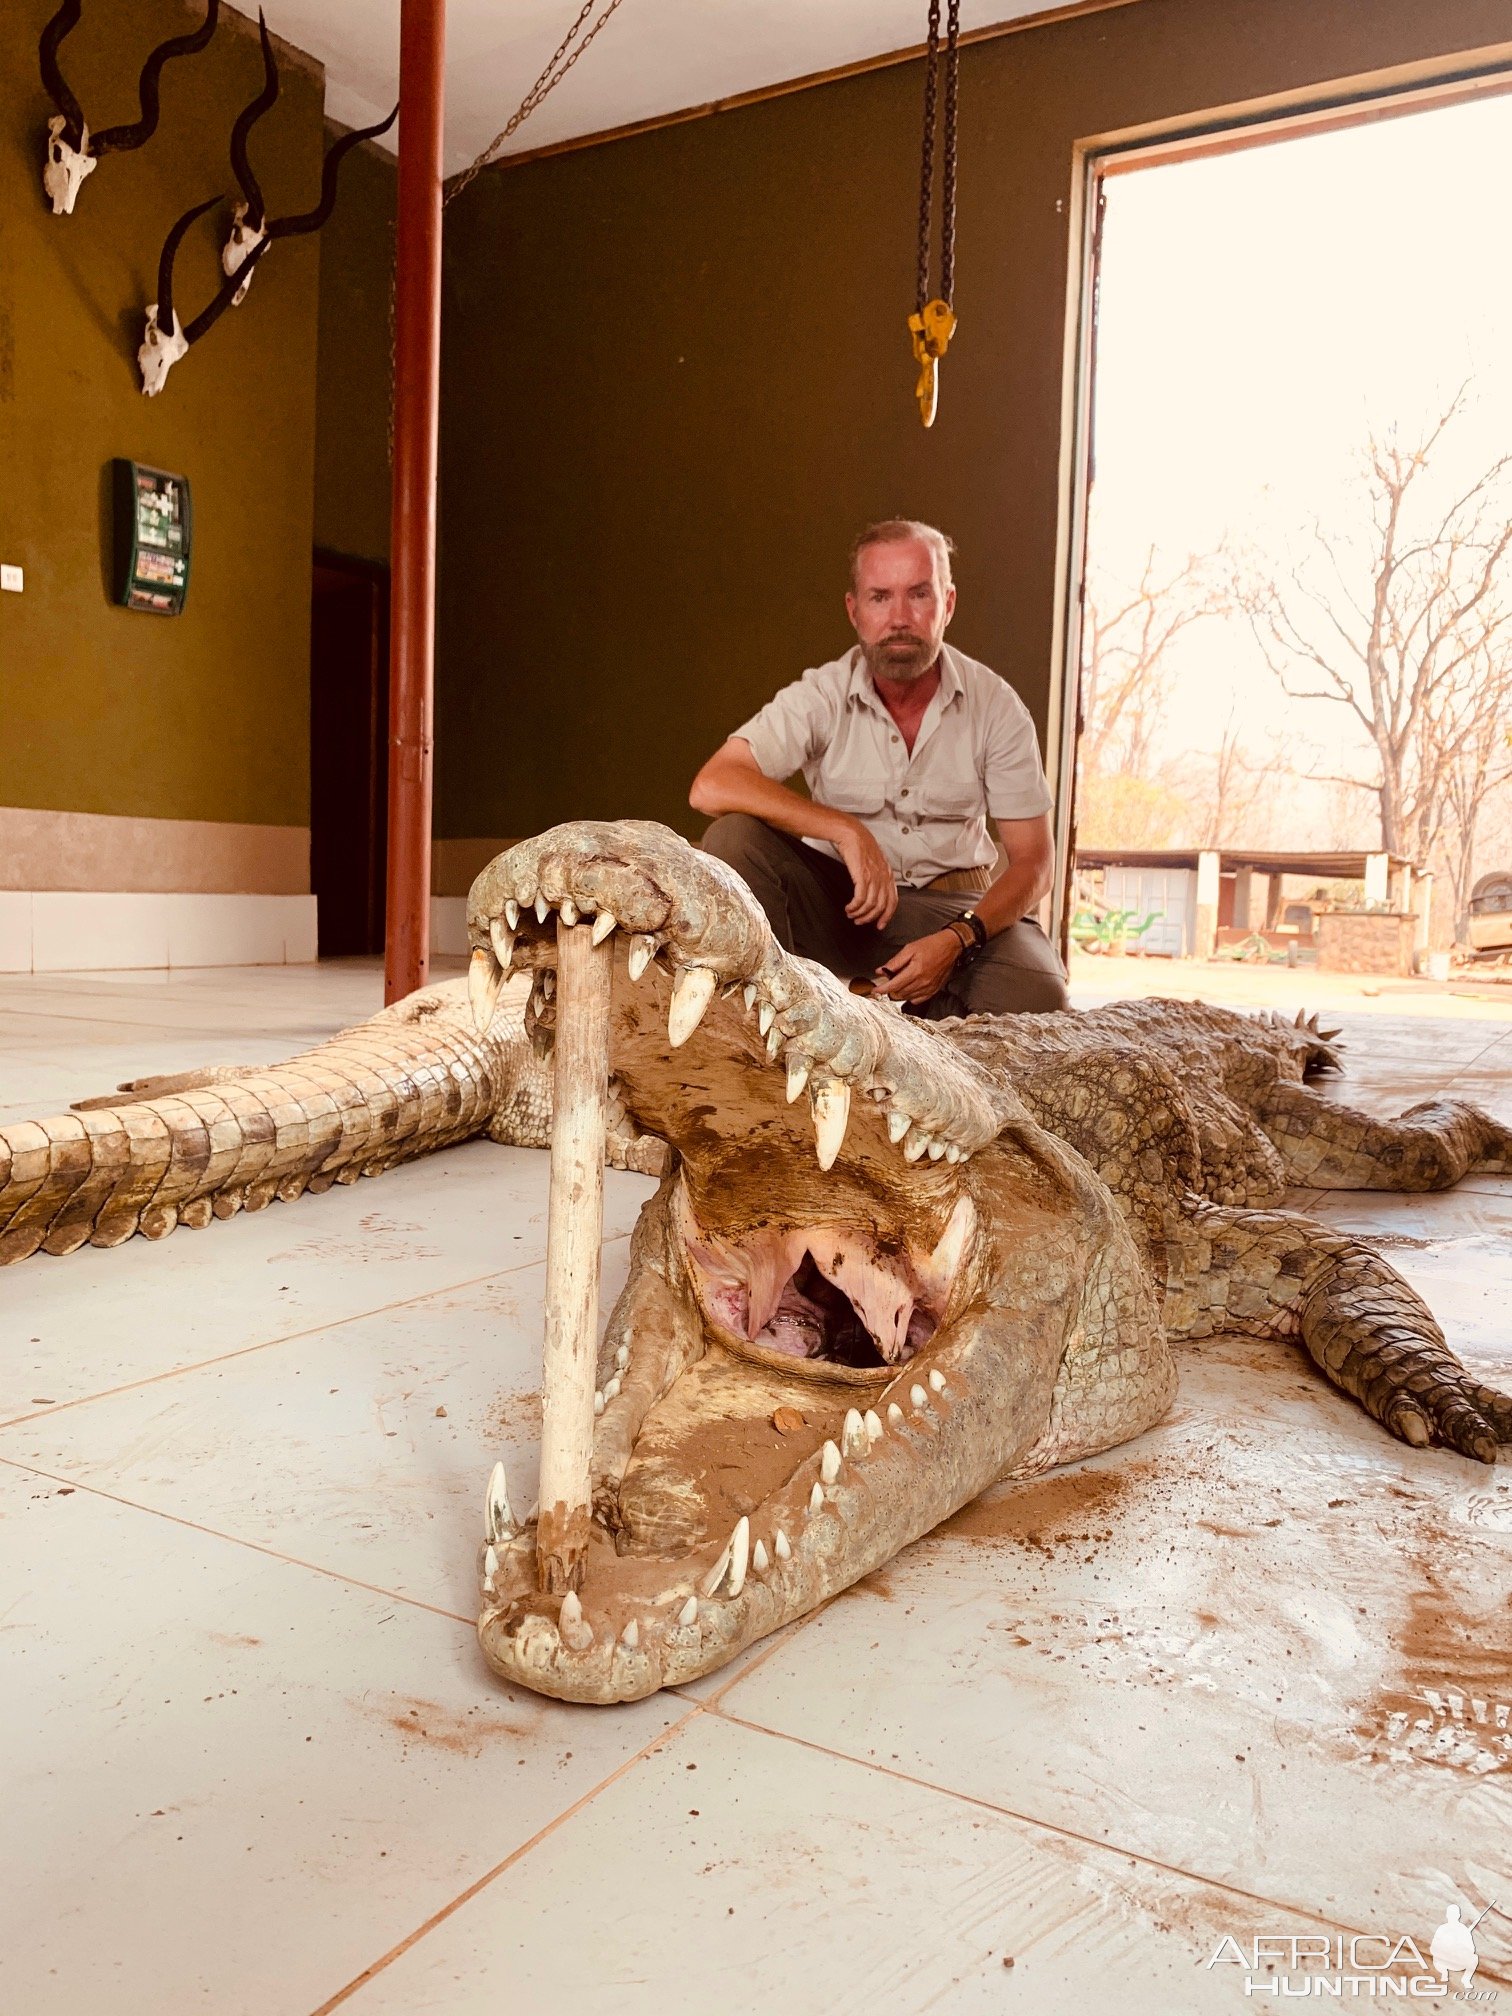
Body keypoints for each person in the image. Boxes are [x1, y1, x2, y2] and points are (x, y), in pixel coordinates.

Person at [689, 518, 1069, 1018]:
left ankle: (867, 1004)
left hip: (954, 910)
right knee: (733, 837)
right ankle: (799, 1007)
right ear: (854, 611)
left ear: (947, 604)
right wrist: (846, 830)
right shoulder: (822, 692)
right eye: (879, 597)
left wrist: (958, 940)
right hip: (844, 908)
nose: (900, 618)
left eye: (919, 595)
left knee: (1038, 990)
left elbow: (1035, 863)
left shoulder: (996, 706)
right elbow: (712, 785)